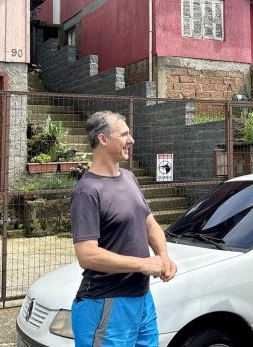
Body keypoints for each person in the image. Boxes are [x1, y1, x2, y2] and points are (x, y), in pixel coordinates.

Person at [70, 110, 177, 347]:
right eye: (124, 134)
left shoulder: (129, 177)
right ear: (103, 139)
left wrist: (163, 257)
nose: (131, 140)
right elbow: (87, 255)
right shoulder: (87, 192)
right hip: (106, 302)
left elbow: (150, 225)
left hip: (141, 299)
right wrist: (143, 264)